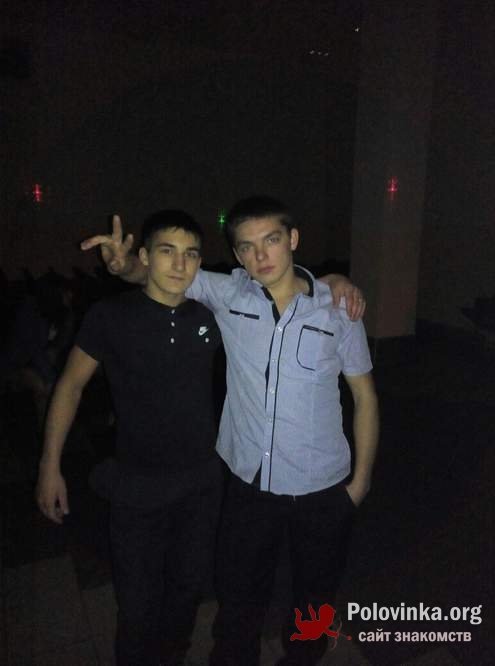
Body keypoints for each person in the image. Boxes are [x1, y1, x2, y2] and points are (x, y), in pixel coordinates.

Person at [82, 197, 377, 665]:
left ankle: (303, 658)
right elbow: (163, 276)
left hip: (323, 486)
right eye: (247, 246)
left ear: (292, 239)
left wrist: (360, 483)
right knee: (239, 592)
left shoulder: (338, 309)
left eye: (271, 240)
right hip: (248, 484)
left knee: (316, 594)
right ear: (237, 255)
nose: (261, 255)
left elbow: (365, 397)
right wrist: (124, 267)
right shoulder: (229, 295)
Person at [36, 210, 223, 666]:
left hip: (201, 486)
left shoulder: (212, 317)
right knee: (137, 606)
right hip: (138, 486)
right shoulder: (111, 316)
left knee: (186, 595)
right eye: (167, 251)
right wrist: (49, 465)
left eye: (190, 254)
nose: (179, 264)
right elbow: (70, 386)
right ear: (145, 256)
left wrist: (332, 283)